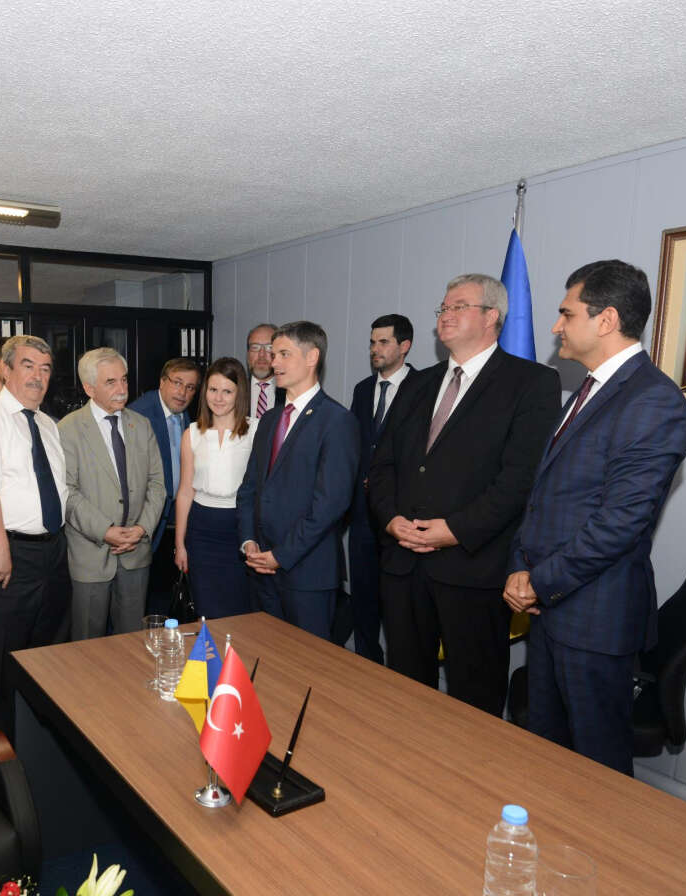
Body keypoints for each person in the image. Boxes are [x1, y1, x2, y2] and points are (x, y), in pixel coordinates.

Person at [506, 259, 686, 775]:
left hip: (593, 618)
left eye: (567, 314)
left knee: (597, 773)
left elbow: (620, 523)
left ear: (606, 319)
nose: (555, 326)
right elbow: (545, 497)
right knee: (548, 758)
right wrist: (520, 566)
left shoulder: (654, 401)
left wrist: (538, 581)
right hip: (551, 606)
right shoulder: (587, 391)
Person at [370, 276, 559, 715]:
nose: (446, 315)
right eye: (443, 308)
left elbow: (520, 480)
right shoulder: (417, 384)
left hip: (473, 568)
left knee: (475, 700)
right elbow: (382, 466)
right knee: (403, 694)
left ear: (492, 316)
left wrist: (455, 530)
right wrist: (390, 519)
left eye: (459, 306)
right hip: (403, 564)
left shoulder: (530, 382)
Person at [0, 334, 70, 729]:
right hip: (10, 553)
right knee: (4, 654)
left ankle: (40, 738)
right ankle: (1, 742)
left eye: (45, 368)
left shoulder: (47, 424)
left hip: (53, 552)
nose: (38, 376)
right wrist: (0, 550)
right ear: (4, 370)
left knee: (48, 652)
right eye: (27, 365)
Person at [236, 320, 357, 638]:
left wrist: (281, 555)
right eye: (273, 354)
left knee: (307, 662)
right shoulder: (270, 419)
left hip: (308, 574)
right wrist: (249, 541)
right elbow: (249, 489)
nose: (272, 361)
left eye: (283, 354)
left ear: (312, 357)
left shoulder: (337, 421)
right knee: (265, 656)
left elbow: (330, 504)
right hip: (261, 569)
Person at [59, 347, 165, 639]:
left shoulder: (141, 425)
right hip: (90, 555)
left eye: (124, 379)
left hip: (136, 552)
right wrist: (105, 531)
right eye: (111, 382)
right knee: (87, 645)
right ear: (89, 388)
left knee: (132, 642)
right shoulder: (68, 429)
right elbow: (67, 492)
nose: (122, 389)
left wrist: (141, 529)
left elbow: (157, 484)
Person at [346, 314, 416, 662]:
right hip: (361, 516)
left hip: (401, 516)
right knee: (363, 601)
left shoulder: (424, 387)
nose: (375, 349)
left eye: (384, 342)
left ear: (404, 346)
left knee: (400, 607)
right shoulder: (362, 390)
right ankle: (363, 668)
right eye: (372, 342)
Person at [174, 357, 255, 618]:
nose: (218, 398)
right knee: (206, 611)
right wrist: (180, 544)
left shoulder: (255, 431)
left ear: (239, 394)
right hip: (201, 531)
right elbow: (185, 491)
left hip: (240, 529)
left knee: (240, 612)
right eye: (213, 389)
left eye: (227, 391)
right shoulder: (192, 433)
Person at [129, 358, 202, 614]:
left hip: (176, 519)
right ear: (162, 382)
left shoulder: (186, 416)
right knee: (144, 598)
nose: (183, 393)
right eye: (177, 383)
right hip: (147, 520)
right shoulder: (139, 414)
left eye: (190, 387)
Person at [246, 322, 282, 420]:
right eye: (255, 347)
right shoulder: (235, 390)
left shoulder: (290, 393)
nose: (261, 354)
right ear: (248, 354)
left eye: (269, 347)